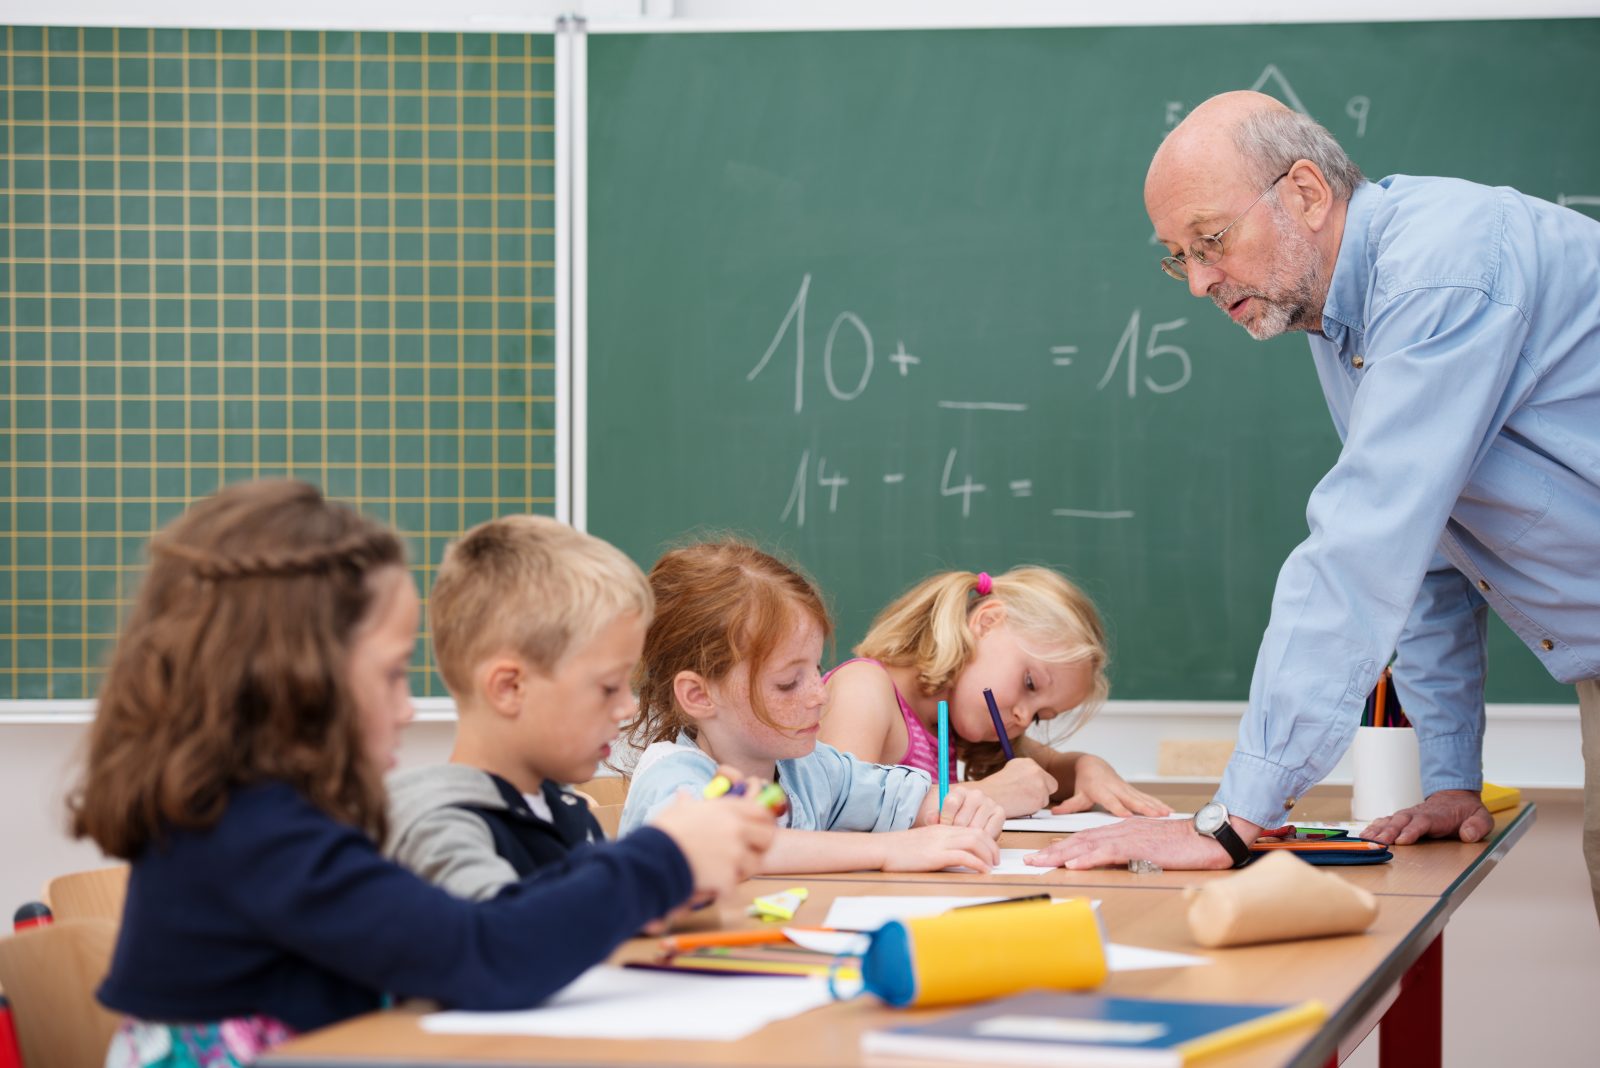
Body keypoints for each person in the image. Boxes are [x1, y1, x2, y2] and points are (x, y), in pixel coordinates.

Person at [1026, 91, 1600, 906]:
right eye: (1177, 256)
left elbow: (1360, 551)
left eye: (1211, 241)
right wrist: (1449, 778)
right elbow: (1433, 559)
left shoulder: (1442, 269)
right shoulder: (1341, 326)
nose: (1197, 282)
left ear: (1304, 191)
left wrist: (1233, 822)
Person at [70, 481, 776, 1066]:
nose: (409, 708)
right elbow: (486, 953)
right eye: (390, 674)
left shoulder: (262, 823)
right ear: (296, 682)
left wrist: (646, 871)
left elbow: (470, 926)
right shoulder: (258, 837)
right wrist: (664, 856)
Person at [618, 540, 1007, 873]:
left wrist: (954, 806)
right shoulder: (672, 777)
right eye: (787, 683)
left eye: (816, 669)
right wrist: (889, 850)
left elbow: (895, 795)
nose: (819, 693)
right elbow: (724, 844)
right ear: (700, 696)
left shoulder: (808, 769)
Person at [385, 515, 653, 900]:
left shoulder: (566, 812)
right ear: (510, 688)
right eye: (609, 687)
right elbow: (505, 934)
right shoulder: (446, 829)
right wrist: (663, 862)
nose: (627, 708)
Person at [820, 566, 1167, 819]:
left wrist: (1087, 768)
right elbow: (838, 812)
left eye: (1039, 717)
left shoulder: (948, 723)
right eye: (1030, 684)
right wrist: (985, 793)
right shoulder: (865, 690)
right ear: (986, 623)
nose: (1022, 716)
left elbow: (1050, 769)